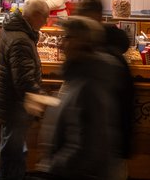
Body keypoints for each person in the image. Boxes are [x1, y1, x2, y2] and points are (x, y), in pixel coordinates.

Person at [36, 16, 115, 180]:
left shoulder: (89, 85)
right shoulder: (77, 78)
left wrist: (52, 167)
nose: (61, 44)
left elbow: (86, 147)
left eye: (67, 37)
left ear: (83, 43)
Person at [0, 0, 50, 180]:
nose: (46, 22)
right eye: (45, 17)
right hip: (15, 105)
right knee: (13, 155)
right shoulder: (21, 40)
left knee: (12, 150)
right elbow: (24, 80)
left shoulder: (12, 29)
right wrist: (42, 97)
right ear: (36, 15)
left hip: (9, 102)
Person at [76, 0, 135, 176]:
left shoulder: (108, 57)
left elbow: (123, 104)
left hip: (107, 145)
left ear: (96, 17)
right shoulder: (89, 52)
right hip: (94, 145)